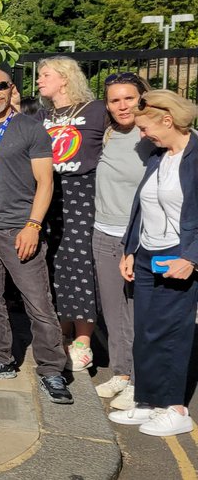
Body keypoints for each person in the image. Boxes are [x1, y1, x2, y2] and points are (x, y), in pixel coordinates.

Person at [0, 68, 72, 404]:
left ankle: (52, 370)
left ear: (11, 89)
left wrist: (33, 226)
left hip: (19, 229)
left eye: (0, 86)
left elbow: (45, 182)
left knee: (39, 304)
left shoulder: (30, 129)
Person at [108, 90, 198, 436]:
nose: (143, 136)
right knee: (145, 331)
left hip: (180, 254)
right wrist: (131, 249)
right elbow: (143, 206)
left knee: (171, 332)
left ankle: (175, 408)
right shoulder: (159, 156)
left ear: (168, 120)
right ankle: (147, 402)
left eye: (146, 128)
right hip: (147, 253)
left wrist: (192, 258)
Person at [35, 56, 107, 372]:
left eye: (45, 74)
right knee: (54, 262)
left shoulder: (96, 110)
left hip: (82, 193)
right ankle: (62, 331)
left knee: (80, 262)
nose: (39, 80)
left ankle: (84, 341)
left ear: (65, 78)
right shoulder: (42, 115)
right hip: (49, 193)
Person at [92, 73, 153, 412]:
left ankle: (140, 381)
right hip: (104, 232)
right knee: (113, 311)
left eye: (129, 98)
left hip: (140, 237)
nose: (122, 106)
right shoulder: (107, 134)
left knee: (137, 312)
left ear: (142, 97)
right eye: (114, 100)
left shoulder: (151, 135)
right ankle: (121, 373)